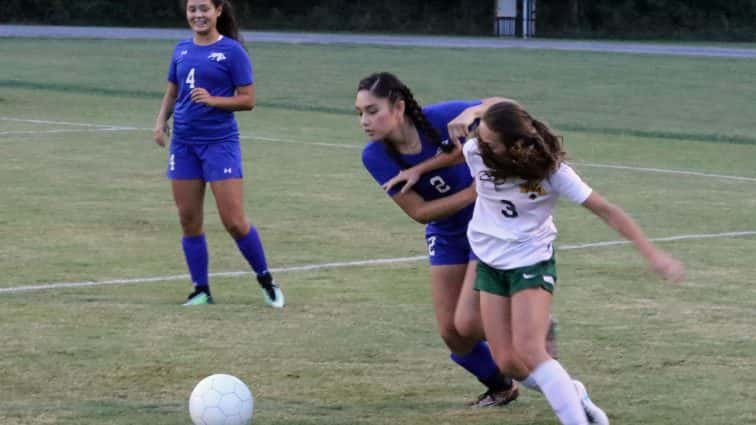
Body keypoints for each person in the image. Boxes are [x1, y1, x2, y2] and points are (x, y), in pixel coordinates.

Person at [458, 100, 685, 424]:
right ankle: (574, 392)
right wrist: (470, 115)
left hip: (530, 261)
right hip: (489, 260)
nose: (481, 145)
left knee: (530, 349)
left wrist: (653, 254)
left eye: (490, 142)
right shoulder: (473, 151)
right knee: (507, 362)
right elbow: (486, 110)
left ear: (514, 147)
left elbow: (608, 210)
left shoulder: (553, 173)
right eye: (479, 138)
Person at [357, 71, 530, 407]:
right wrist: (473, 190)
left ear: (399, 107)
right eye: (360, 113)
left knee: (471, 322)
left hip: (489, 226)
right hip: (447, 233)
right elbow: (420, 212)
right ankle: (501, 386)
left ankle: (531, 332)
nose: (365, 121)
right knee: (452, 334)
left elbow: (510, 108)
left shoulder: (439, 118)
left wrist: (470, 114)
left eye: (372, 110)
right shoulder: (374, 155)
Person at [153, 0, 283, 308]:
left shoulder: (232, 52)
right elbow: (173, 91)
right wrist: (160, 122)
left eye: (204, 9)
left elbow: (248, 100)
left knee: (234, 221)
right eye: (192, 9)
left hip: (219, 145)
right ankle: (201, 290)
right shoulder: (181, 49)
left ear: (218, 11)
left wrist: (213, 100)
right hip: (184, 145)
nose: (198, 15)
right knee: (188, 219)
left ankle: (267, 281)